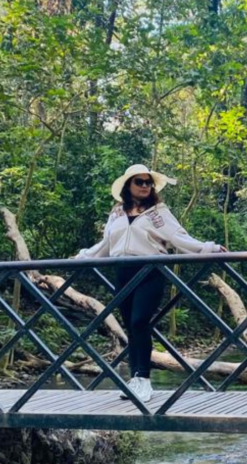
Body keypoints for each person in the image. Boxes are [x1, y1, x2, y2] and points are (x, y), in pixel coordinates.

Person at [75, 164, 225, 403]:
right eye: (139, 182)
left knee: (140, 321)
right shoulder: (117, 213)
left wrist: (208, 248)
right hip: (122, 272)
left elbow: (178, 238)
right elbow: (105, 245)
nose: (145, 186)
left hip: (150, 271)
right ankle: (135, 379)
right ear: (128, 186)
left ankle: (144, 379)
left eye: (148, 182)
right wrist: (82, 257)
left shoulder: (158, 212)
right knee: (130, 327)